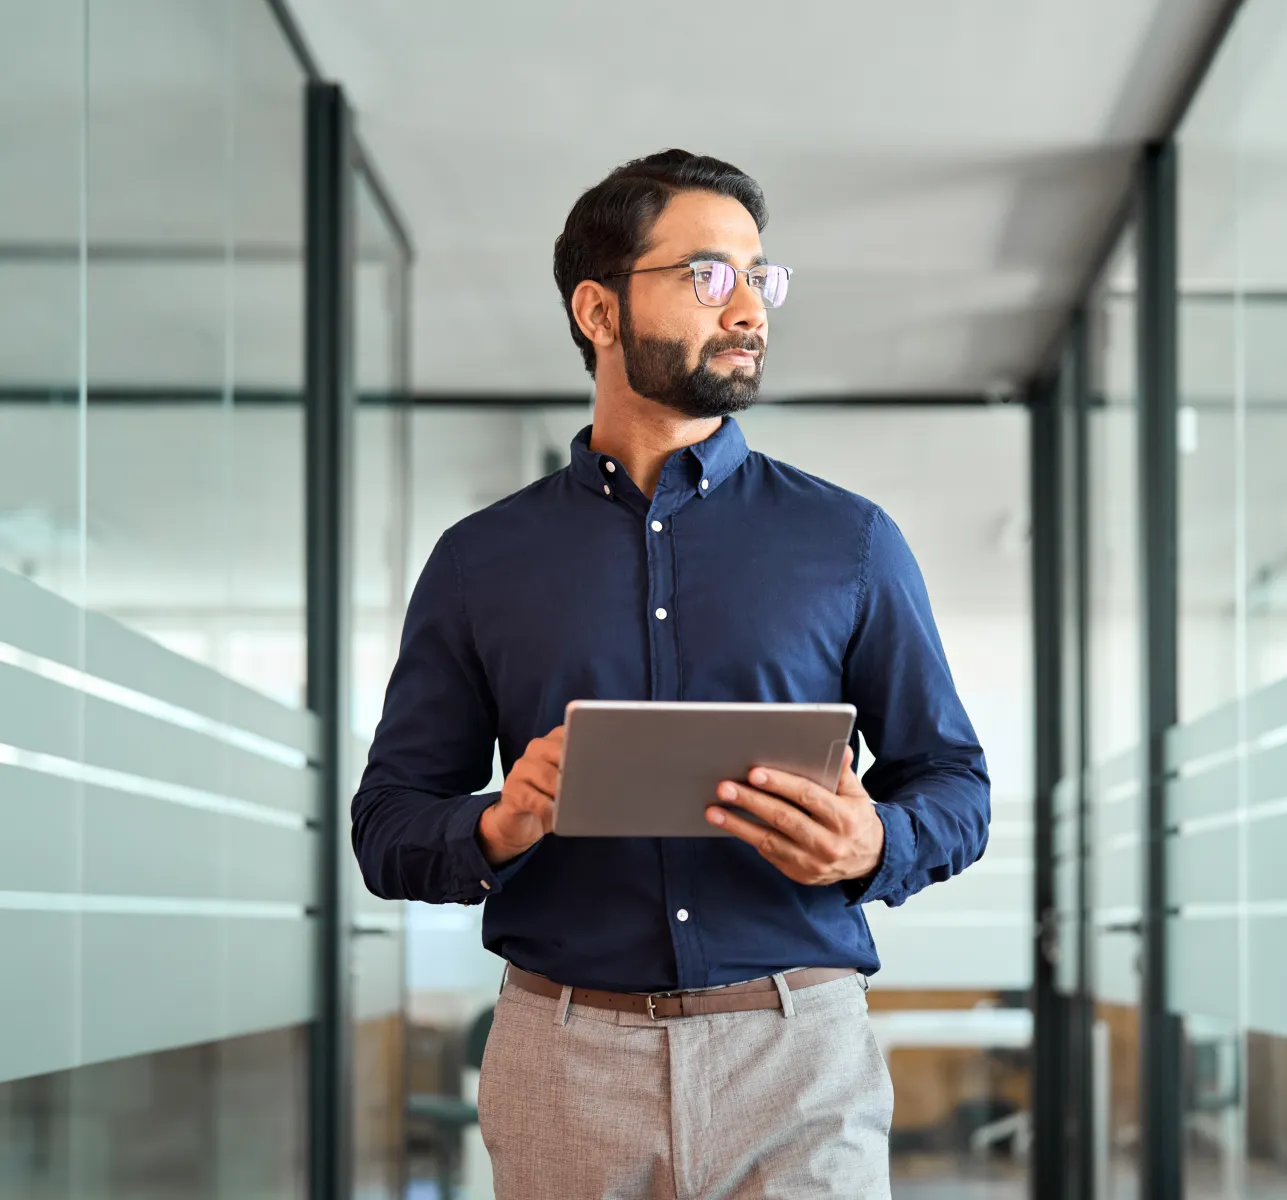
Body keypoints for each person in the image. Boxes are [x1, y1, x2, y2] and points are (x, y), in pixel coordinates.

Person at [352, 149, 990, 1199]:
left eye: (758, 275)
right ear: (598, 312)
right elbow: (386, 823)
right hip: (563, 1058)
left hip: (796, 1053)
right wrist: (498, 826)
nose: (749, 308)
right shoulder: (478, 563)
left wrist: (878, 839)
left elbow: (953, 783)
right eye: (707, 274)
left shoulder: (851, 542)